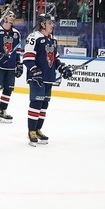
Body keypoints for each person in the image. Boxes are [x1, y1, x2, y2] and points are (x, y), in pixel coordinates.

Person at [23, 14, 73, 146]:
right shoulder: (34, 37)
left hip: (49, 77)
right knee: (36, 103)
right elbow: (27, 57)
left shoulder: (53, 39)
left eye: (53, 23)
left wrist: (62, 68)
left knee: (44, 105)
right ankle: (31, 131)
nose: (53, 25)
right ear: (42, 24)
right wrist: (34, 70)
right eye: (50, 22)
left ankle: (38, 129)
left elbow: (55, 59)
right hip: (37, 77)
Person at [0, 10, 22, 124]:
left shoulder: (16, 33)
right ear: (4, 18)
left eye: (13, 16)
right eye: (9, 16)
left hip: (10, 67)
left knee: (8, 90)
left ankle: (2, 111)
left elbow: (17, 50)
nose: (12, 18)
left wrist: (18, 63)